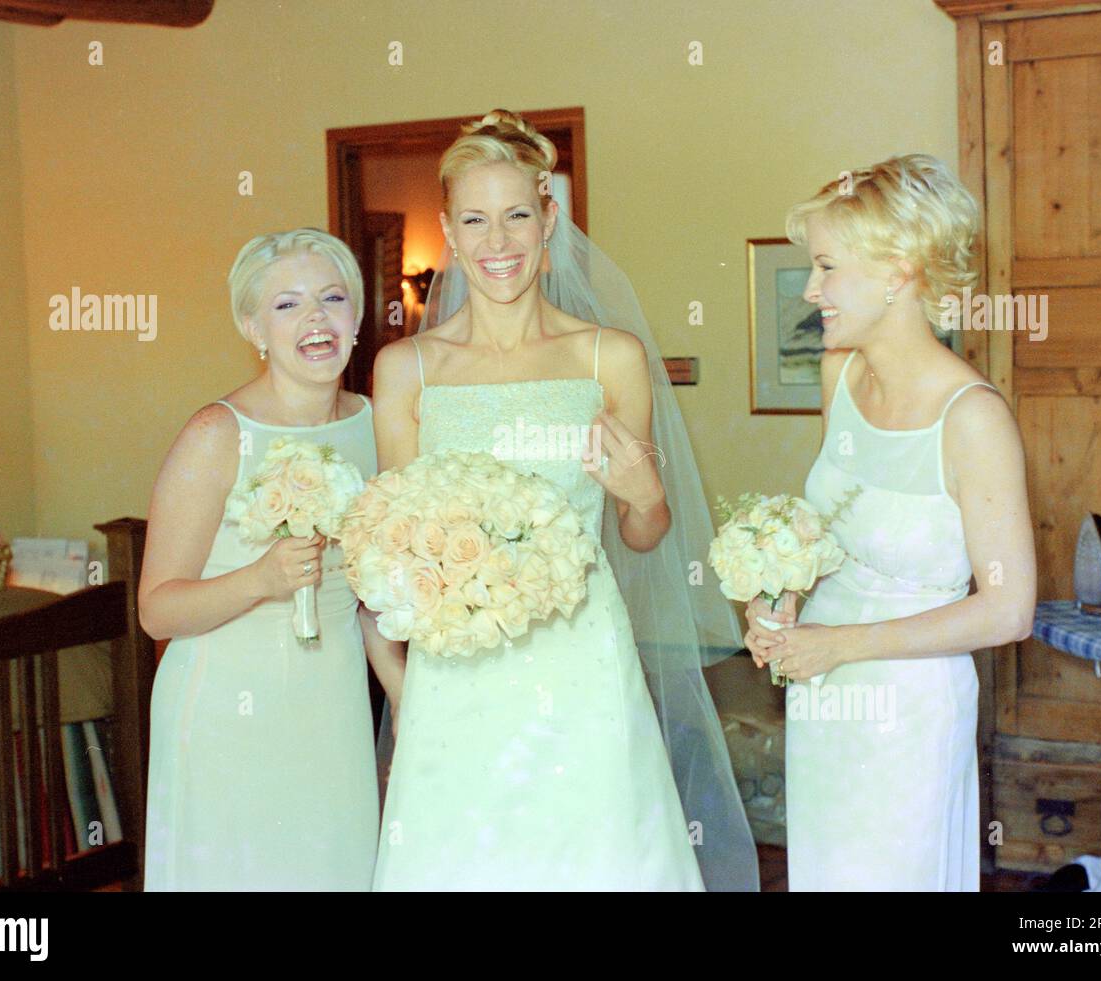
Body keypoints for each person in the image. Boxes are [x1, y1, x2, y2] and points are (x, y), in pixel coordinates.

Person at [368, 110, 756, 890]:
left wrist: (646, 495)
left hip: (581, 655)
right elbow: (390, 553)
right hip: (458, 669)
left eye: (517, 214)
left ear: (550, 220)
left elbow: (643, 532)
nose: (498, 240)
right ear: (447, 228)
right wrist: (404, 686)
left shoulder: (610, 357)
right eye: (474, 219)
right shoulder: (406, 370)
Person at [747, 155, 1036, 890]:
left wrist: (839, 645)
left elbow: (1009, 609)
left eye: (826, 267)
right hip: (822, 690)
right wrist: (779, 597)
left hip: (908, 706)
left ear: (898, 271)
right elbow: (825, 527)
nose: (812, 291)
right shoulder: (837, 372)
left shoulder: (973, 418)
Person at [138, 229, 389, 889]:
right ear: (253, 325)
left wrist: (407, 696)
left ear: (357, 317)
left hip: (332, 706)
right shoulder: (217, 434)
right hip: (227, 711)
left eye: (333, 298)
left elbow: (370, 598)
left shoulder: (378, 425)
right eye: (287, 304)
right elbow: (157, 610)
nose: (316, 318)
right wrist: (260, 578)